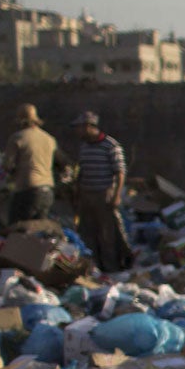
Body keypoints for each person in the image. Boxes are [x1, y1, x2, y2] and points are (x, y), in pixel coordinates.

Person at [70, 111, 131, 272]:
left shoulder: (110, 145)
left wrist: (117, 195)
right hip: (86, 194)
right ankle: (93, 267)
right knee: (87, 233)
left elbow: (120, 172)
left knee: (107, 235)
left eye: (80, 128)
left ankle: (111, 267)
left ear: (90, 127)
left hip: (104, 194)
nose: (77, 132)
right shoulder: (84, 146)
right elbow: (81, 171)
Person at [2, 103, 59, 223]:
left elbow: (8, 165)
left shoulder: (18, 138)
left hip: (27, 190)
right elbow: (59, 161)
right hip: (47, 191)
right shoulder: (49, 139)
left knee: (17, 229)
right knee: (38, 231)